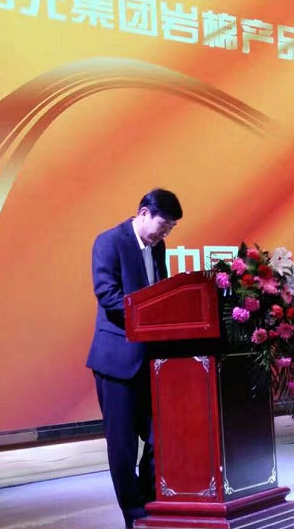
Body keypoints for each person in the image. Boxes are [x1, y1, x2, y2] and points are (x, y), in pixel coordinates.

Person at [86, 188, 183, 528]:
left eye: (170, 229)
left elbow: (161, 290)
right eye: (163, 225)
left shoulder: (158, 248)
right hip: (116, 361)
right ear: (143, 213)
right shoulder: (109, 242)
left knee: (160, 437)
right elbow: (108, 296)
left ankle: (151, 503)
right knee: (123, 448)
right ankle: (134, 514)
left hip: (151, 360)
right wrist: (150, 315)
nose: (165, 233)